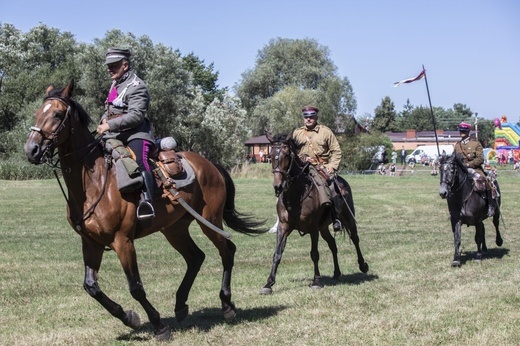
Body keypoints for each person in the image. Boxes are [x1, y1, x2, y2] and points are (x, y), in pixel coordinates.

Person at [96, 48, 156, 220]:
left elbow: (136, 116)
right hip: (115, 135)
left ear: (125, 65)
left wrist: (109, 125)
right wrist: (102, 123)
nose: (109, 69)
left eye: (113, 65)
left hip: (137, 134)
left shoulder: (137, 86)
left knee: (139, 161)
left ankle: (147, 203)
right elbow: (110, 110)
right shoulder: (116, 85)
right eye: (108, 66)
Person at [269, 105, 342, 233]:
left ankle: (335, 218)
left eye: (311, 117)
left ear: (316, 117)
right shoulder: (297, 133)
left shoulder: (325, 132)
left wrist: (331, 166)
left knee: (330, 188)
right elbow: (288, 150)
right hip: (301, 168)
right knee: (284, 188)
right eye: (306, 117)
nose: (308, 119)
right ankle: (280, 220)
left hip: (321, 167)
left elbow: (336, 151)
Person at [453, 121, 495, 217]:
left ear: (468, 131)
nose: (462, 132)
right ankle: (454, 208)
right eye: (461, 131)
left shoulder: (476, 144)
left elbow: (480, 159)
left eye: (464, 130)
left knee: (484, 181)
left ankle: (490, 206)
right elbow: (454, 158)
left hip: (474, 169)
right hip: (461, 171)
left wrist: (468, 165)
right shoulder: (457, 145)